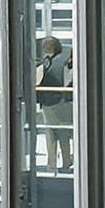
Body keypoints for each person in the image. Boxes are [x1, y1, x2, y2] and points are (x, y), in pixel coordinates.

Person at [33, 34, 74, 171]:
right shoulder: (66, 59)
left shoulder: (46, 63)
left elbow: (37, 82)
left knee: (51, 133)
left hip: (50, 102)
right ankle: (66, 161)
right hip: (64, 101)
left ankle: (52, 164)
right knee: (63, 133)